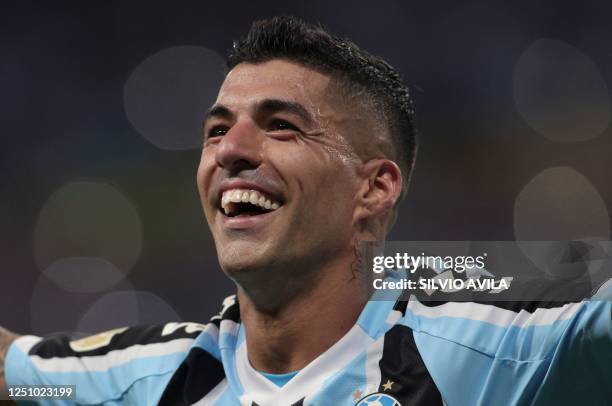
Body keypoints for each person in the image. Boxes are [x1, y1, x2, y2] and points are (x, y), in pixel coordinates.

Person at [1, 16, 611, 406]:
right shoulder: (151, 377)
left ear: (375, 189)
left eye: (282, 126)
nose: (230, 152)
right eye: (216, 131)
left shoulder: (491, 349)